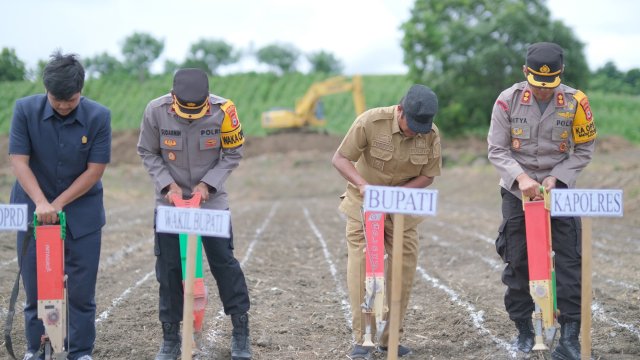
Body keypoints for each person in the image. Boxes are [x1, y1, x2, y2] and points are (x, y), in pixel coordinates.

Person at [487, 42, 597, 360]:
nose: (544, 91)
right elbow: (497, 149)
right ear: (526, 73)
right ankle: (524, 331)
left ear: (561, 75)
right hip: (516, 190)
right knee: (518, 259)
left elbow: (585, 148)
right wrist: (521, 179)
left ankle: (570, 338)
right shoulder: (506, 101)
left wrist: (558, 177)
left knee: (569, 260)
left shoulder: (577, 101)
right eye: (537, 84)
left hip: (559, 189)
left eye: (551, 85)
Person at [137, 68, 252, 360]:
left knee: (224, 264)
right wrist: (167, 186)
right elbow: (147, 152)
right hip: (169, 204)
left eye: (198, 111)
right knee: (169, 269)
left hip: (210, 202)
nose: (192, 117)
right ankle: (170, 338)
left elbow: (233, 152)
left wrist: (207, 185)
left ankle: (240, 332)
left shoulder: (225, 111)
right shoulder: (155, 111)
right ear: (173, 97)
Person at [9, 50, 112, 360]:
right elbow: (18, 161)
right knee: (37, 286)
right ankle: (36, 348)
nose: (65, 106)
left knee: (81, 291)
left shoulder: (98, 116)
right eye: (58, 100)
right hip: (32, 211)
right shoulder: (24, 110)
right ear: (46, 90)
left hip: (82, 212)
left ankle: (79, 352)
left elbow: (95, 171)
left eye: (72, 100)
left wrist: (57, 203)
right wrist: (41, 203)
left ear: (81, 90)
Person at [332, 84, 442, 359]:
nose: (416, 132)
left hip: (402, 211)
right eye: (412, 125)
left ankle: (389, 338)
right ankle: (364, 339)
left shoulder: (431, 134)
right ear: (400, 110)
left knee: (403, 271)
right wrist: (364, 186)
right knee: (363, 270)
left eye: (422, 127)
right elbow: (341, 158)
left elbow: (428, 175)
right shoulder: (371, 121)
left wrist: (396, 196)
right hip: (364, 204)